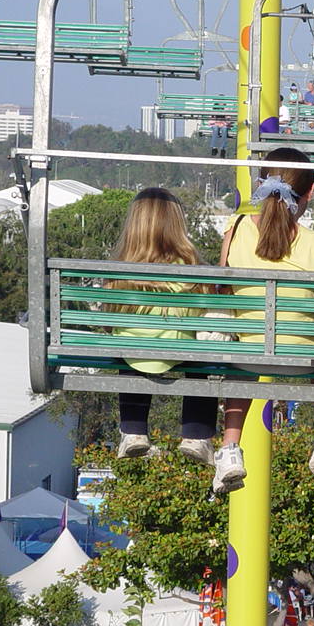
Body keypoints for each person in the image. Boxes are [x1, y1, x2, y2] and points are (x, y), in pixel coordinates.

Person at [214, 149, 314, 497]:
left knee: (240, 355)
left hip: (248, 353)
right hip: (304, 359)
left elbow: (222, 288)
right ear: (310, 192)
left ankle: (231, 447)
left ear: (261, 184)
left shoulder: (236, 229)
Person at [108, 187, 218, 464]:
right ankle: (196, 434)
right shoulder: (191, 266)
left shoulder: (119, 268)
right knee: (201, 359)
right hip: (179, 352)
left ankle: (133, 430)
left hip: (133, 354)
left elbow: (111, 318)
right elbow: (201, 311)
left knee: (128, 348)